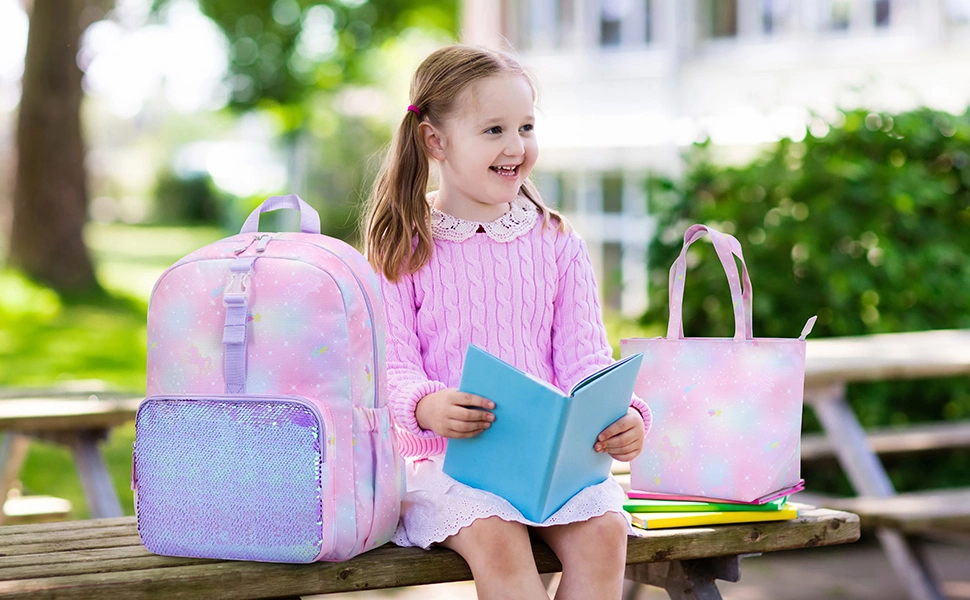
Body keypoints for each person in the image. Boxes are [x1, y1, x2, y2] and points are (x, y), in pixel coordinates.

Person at [363, 44, 652, 600]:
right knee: (498, 540)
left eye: (525, 126)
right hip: (449, 468)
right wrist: (427, 405)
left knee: (606, 532)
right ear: (436, 142)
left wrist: (624, 415)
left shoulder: (557, 243)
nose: (516, 147)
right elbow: (389, 366)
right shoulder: (403, 245)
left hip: (550, 466)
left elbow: (586, 362)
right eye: (494, 130)